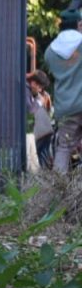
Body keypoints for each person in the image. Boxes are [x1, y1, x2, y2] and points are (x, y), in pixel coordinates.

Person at [44, 9, 82, 173]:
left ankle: (58, 185)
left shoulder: (50, 51)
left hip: (66, 108)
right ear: (79, 24)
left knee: (64, 148)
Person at [26, 69, 54, 170]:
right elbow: (30, 111)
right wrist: (39, 102)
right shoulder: (26, 90)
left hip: (39, 132)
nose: (40, 90)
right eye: (40, 87)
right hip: (37, 133)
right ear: (34, 83)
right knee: (37, 162)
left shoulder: (29, 90)